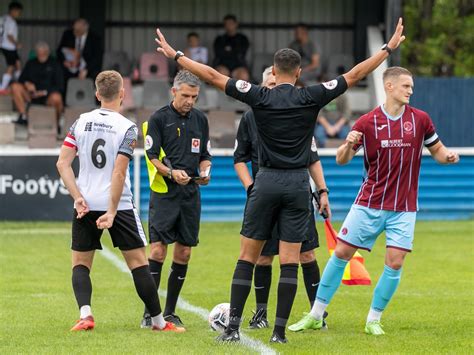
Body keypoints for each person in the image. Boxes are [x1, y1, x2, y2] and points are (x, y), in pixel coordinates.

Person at [154, 17, 405, 343]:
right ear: (298, 73)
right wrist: (386, 49)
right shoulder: (310, 96)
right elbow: (356, 74)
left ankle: (232, 329)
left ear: (274, 71)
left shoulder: (259, 96)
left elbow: (214, 76)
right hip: (298, 184)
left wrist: (176, 56)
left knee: (248, 256)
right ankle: (278, 333)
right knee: (290, 261)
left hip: (266, 182)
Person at [288, 66, 460, 335]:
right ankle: (316, 314)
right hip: (369, 203)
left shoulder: (421, 120)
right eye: (406, 86)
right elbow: (341, 160)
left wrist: (447, 156)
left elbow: (437, 150)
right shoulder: (367, 123)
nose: (410, 91)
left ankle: (373, 320)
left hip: (403, 207)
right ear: (389, 86)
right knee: (342, 254)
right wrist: (347, 144)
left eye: (411, 87)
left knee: (395, 262)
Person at [56, 70, 185, 333]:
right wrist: (113, 210)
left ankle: (85, 315)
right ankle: (159, 322)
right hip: (119, 204)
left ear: (96, 94)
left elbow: (62, 163)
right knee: (138, 263)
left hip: (87, 203)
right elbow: (118, 171)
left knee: (80, 263)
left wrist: (78, 197)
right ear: (122, 94)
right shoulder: (127, 128)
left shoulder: (80, 122)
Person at [234, 66, 330, 330]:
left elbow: (312, 157)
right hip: (263, 194)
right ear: (262, 87)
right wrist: (250, 187)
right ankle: (261, 313)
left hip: (294, 191)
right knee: (263, 258)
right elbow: (239, 158)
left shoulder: (299, 115)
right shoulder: (251, 117)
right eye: (269, 85)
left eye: (277, 84)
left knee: (306, 254)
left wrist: (322, 191)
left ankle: (317, 313)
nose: (274, 88)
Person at [141, 70, 212, 329]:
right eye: (185, 95)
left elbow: (205, 154)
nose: (190, 101)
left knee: (184, 252)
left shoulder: (201, 120)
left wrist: (205, 171)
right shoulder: (158, 118)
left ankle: (169, 312)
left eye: (194, 96)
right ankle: (150, 312)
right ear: (174, 92)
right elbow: (152, 157)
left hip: (190, 195)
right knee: (158, 250)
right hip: (164, 193)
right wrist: (171, 172)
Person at [11, 41, 63, 125]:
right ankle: (24, 117)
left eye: (44, 53)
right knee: (15, 87)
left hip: (47, 97)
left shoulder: (55, 64)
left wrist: (43, 92)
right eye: (39, 53)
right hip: (31, 96)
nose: (41, 55)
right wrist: (27, 83)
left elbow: (60, 86)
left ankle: (55, 124)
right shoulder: (31, 63)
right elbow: (21, 79)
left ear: (48, 52)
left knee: (57, 97)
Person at [56, 18, 103, 84]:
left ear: (85, 29)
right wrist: (64, 61)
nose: (75, 32)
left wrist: (86, 69)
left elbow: (97, 57)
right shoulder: (67, 34)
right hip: (70, 65)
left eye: (78, 30)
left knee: (95, 73)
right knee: (59, 71)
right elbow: (59, 51)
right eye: (74, 29)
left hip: (87, 67)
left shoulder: (95, 38)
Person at [213, 14, 250, 81]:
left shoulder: (242, 39)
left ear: (236, 24)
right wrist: (233, 50)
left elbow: (242, 52)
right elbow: (218, 53)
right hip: (223, 64)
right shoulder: (220, 39)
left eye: (230, 23)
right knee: (220, 76)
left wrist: (228, 50)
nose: (228, 26)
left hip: (238, 64)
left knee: (243, 76)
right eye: (226, 24)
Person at [0, 1, 23, 92]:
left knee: (18, 63)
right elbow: (10, 36)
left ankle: (19, 82)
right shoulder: (12, 21)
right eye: (18, 12)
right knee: (11, 66)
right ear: (13, 10)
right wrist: (17, 44)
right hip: (8, 46)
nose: (19, 14)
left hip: (3, 45)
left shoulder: (3, 18)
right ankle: (3, 87)